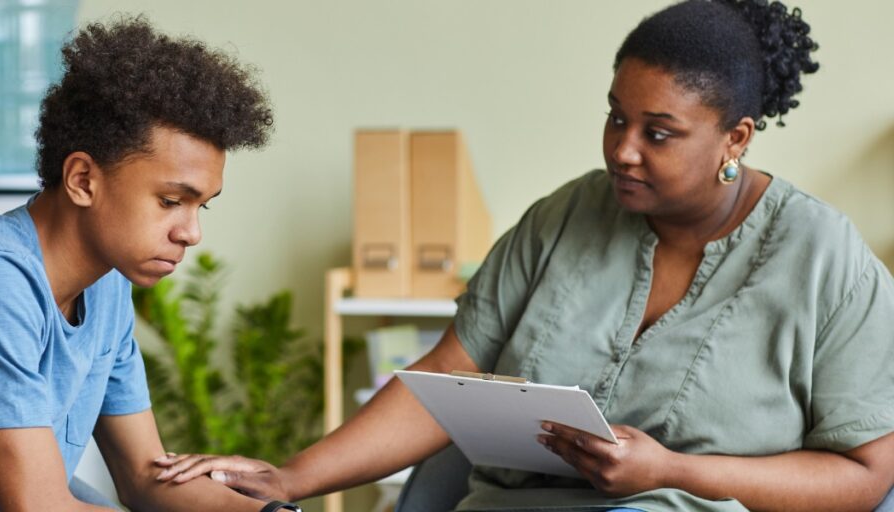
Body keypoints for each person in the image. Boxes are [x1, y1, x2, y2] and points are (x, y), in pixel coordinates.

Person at [153, 1, 894, 511]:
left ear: (736, 137)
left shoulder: (825, 261)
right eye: (615, 117)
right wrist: (291, 477)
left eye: (658, 132)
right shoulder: (563, 218)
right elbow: (448, 375)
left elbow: (864, 479)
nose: (622, 151)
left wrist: (670, 470)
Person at [0, 16, 288, 512]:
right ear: (83, 179)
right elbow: (38, 507)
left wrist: (272, 511)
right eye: (171, 200)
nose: (191, 233)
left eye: (203, 206)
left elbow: (143, 477)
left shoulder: (107, 286)